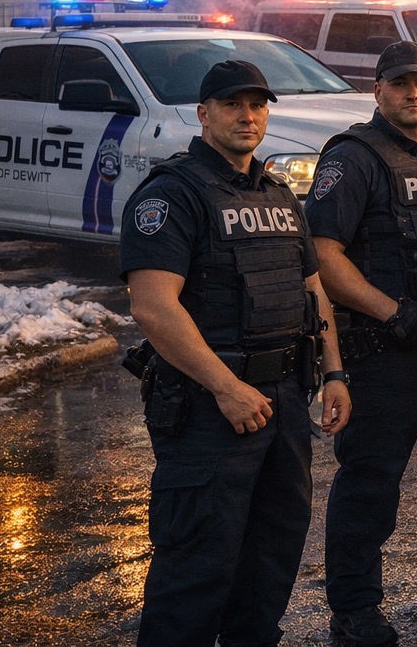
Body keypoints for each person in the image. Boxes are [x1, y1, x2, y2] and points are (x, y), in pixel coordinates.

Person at [121, 58, 351, 647]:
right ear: (203, 114)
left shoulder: (276, 192)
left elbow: (311, 287)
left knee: (271, 559)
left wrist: (334, 372)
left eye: (256, 105)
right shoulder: (174, 193)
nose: (247, 116)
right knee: (198, 566)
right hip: (209, 408)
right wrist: (226, 386)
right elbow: (152, 306)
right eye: (231, 105)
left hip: (282, 403)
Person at [305, 41, 417, 646]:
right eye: (401, 83)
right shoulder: (353, 156)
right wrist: (389, 311)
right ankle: (355, 611)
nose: (414, 93)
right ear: (378, 90)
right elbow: (322, 256)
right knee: (370, 487)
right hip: (386, 352)